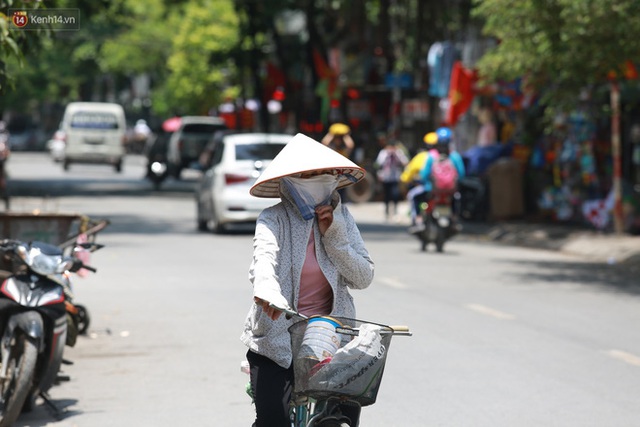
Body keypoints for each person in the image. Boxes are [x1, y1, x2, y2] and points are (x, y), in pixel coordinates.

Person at [240, 133, 374, 427]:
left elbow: (363, 277)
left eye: (322, 174)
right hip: (277, 338)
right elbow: (263, 261)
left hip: (333, 337)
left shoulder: (343, 219)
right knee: (272, 420)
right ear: (289, 181)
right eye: (306, 175)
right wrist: (268, 293)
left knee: (344, 419)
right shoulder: (272, 219)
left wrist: (334, 237)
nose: (316, 180)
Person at [418, 127, 466, 225]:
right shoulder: (455, 156)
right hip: (451, 192)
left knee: (421, 202)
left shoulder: (431, 156)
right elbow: (461, 174)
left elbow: (424, 174)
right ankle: (455, 219)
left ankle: (419, 219)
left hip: (432, 191)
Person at [402, 131, 438, 231]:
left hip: (427, 188)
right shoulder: (448, 156)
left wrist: (405, 180)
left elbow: (410, 173)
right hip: (446, 190)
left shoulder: (424, 156)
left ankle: (416, 219)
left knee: (412, 195)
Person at [374, 137, 408, 221]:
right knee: (386, 194)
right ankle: (386, 211)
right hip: (386, 177)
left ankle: (395, 210)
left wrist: (397, 155)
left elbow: (405, 162)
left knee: (395, 194)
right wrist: (387, 155)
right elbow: (379, 163)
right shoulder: (383, 152)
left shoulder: (399, 152)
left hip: (395, 176)